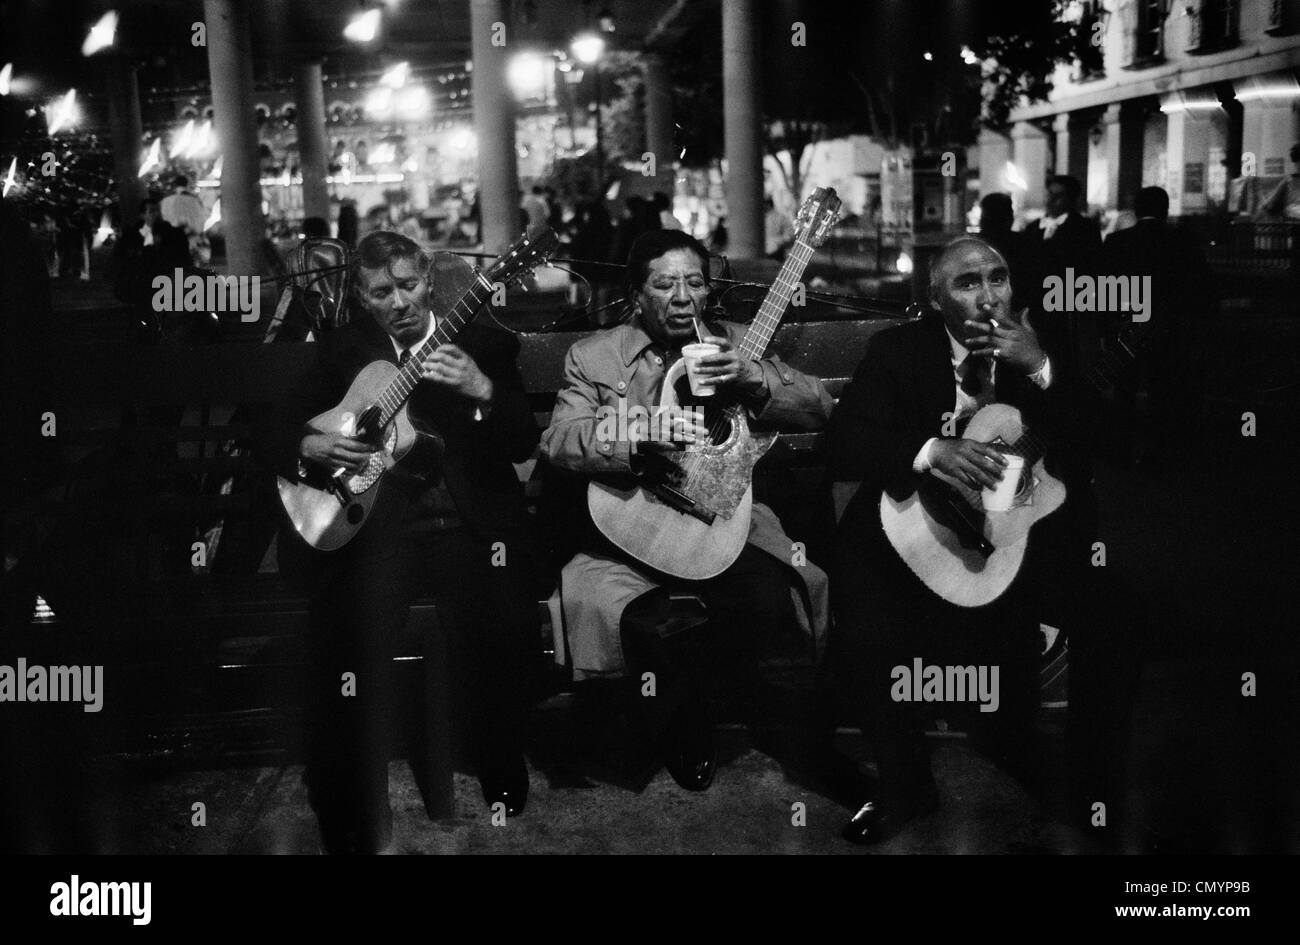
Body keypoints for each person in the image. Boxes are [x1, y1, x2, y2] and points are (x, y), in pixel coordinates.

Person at [823, 236, 1132, 845]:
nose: (988, 294)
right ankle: (904, 789)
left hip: (1021, 541)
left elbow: (1105, 438)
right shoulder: (898, 352)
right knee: (869, 611)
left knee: (1116, 616)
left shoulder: (1045, 351)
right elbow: (843, 443)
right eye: (968, 283)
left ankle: (1090, 793)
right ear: (937, 298)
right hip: (919, 536)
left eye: (998, 277)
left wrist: (1041, 369)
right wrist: (931, 448)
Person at [266, 231, 542, 853]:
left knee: (500, 618)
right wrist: (310, 444)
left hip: (465, 529)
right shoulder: (345, 351)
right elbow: (272, 429)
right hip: (376, 530)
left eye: (410, 285)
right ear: (362, 298)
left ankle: (500, 761)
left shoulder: (484, 341)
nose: (400, 302)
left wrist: (483, 392)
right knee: (345, 637)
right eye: (381, 292)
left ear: (429, 277)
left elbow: (525, 441)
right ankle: (351, 794)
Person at [540, 229, 833, 791]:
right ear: (636, 293)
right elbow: (560, 438)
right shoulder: (595, 354)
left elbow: (818, 408)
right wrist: (638, 433)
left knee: (768, 594)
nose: (681, 296)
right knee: (652, 618)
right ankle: (684, 722)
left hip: (721, 524)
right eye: (663, 283)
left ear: (709, 290)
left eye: (694, 282)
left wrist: (752, 376)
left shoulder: (738, 344)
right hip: (630, 524)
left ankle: (745, 711)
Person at [1100, 185, 1212, 464]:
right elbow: (1199, 288)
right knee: (1163, 390)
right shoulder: (1182, 241)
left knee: (1124, 389)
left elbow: (1104, 291)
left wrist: (1107, 327)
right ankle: (1156, 452)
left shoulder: (1116, 241)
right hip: (1168, 327)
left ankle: (1120, 450)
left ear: (1136, 211)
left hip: (1128, 325)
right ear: (1165, 210)